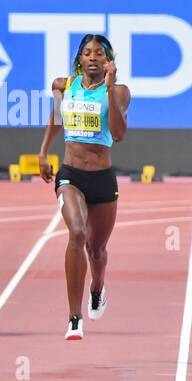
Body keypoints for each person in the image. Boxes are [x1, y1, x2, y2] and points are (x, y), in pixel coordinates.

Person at [37, 34, 130, 340]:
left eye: (100, 54)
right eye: (87, 53)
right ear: (79, 58)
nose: (93, 57)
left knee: (97, 249)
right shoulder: (64, 85)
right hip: (71, 175)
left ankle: (97, 287)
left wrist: (111, 89)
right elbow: (55, 118)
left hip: (102, 178)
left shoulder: (119, 91)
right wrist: (43, 152)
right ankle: (74, 317)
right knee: (77, 232)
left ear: (108, 61)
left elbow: (118, 134)